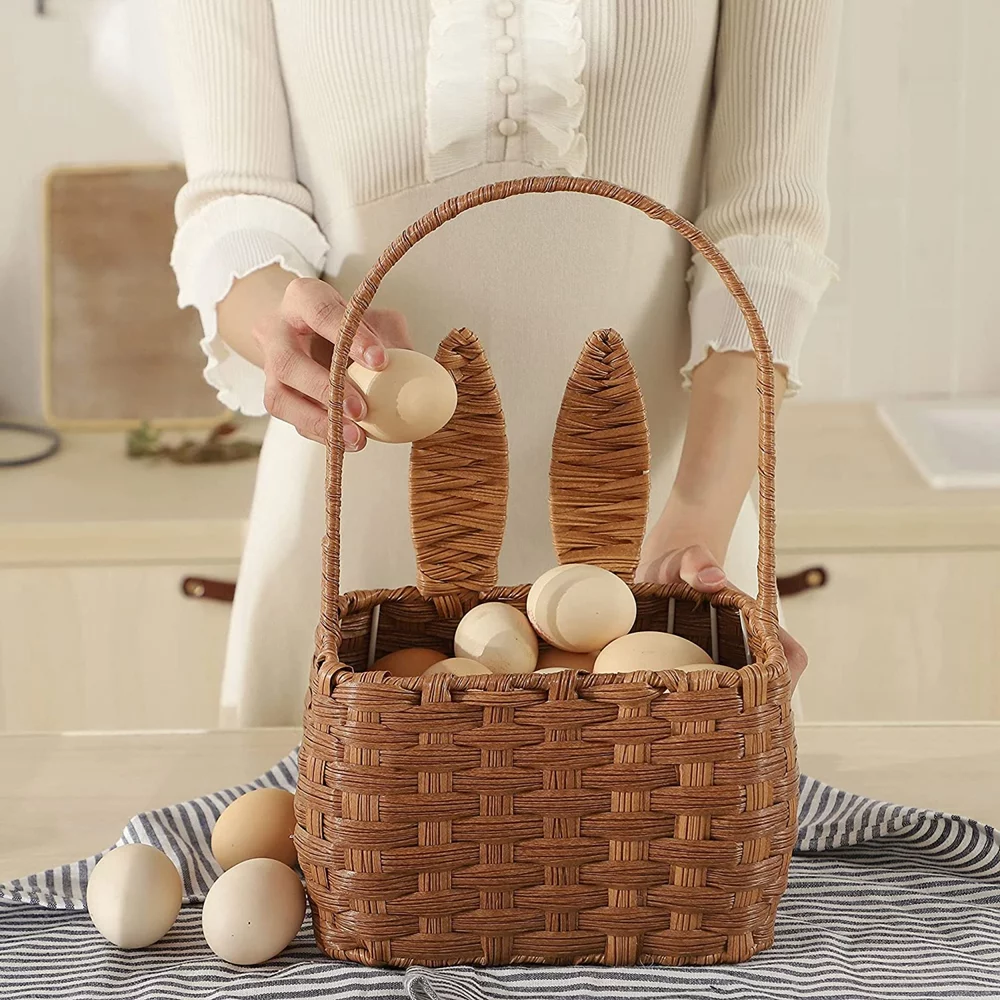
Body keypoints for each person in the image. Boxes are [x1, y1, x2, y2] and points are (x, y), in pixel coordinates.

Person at [162, 0, 841, 726]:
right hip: (353, 502)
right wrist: (280, 318)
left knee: (673, 817)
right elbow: (234, 199)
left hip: (666, 517)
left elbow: (766, 224)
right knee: (336, 818)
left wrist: (701, 512)